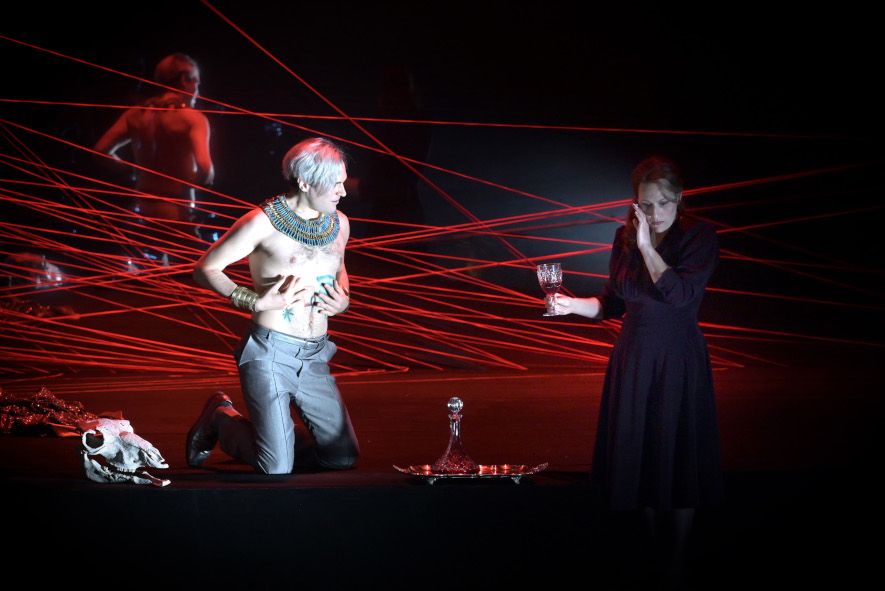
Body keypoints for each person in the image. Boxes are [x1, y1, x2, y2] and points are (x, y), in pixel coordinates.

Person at [552, 157, 722, 586]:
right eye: (647, 205)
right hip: (634, 356)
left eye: (664, 203)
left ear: (679, 199)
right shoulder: (622, 238)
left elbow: (680, 294)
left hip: (677, 356)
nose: (656, 213)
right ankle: (650, 553)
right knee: (640, 451)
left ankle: (678, 558)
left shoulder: (698, 237)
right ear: (635, 204)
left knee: (677, 448)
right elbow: (613, 302)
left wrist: (648, 246)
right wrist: (572, 305)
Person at [187, 137, 359, 475]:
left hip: (315, 356)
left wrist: (343, 301)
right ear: (305, 182)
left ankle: (277, 444)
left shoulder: (340, 223)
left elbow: (340, 271)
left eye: (343, 181)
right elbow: (205, 268)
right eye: (335, 184)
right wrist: (253, 299)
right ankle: (222, 417)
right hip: (270, 353)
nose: (343, 191)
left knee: (342, 458)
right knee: (276, 467)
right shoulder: (261, 222)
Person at [95, 53, 214, 257]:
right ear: (185, 80)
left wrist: (131, 172)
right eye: (197, 82)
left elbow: (100, 151)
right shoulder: (192, 119)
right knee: (193, 278)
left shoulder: (135, 114)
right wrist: (190, 186)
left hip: (142, 208)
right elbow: (206, 169)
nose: (197, 91)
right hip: (177, 211)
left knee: (154, 277)